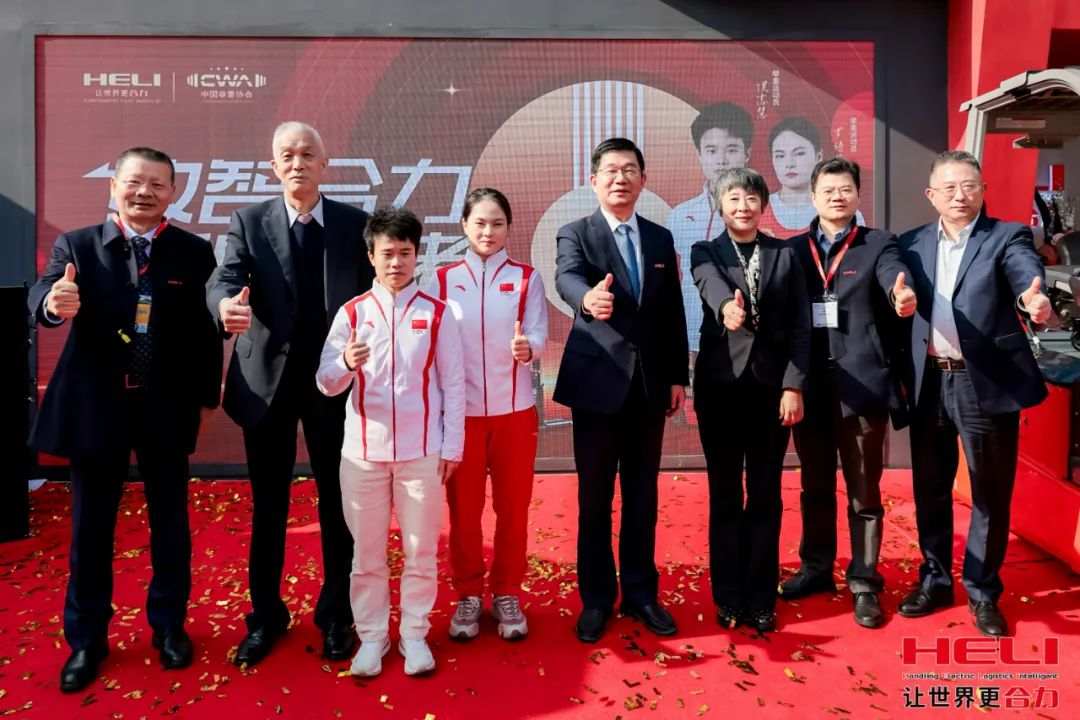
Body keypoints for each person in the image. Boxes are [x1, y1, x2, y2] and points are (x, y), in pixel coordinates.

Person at [29, 147, 222, 692]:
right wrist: (54, 303)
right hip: (97, 408)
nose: (145, 193)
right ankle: (87, 640)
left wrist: (206, 402)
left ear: (173, 193)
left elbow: (206, 335)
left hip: (166, 406)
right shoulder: (78, 245)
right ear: (113, 185)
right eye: (135, 182)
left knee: (171, 525)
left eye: (158, 185)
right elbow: (45, 293)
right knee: (91, 530)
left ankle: (169, 627)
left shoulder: (193, 251)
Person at [206, 121, 374, 666]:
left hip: (334, 383)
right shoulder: (249, 221)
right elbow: (225, 279)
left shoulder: (354, 224)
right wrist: (224, 306)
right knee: (269, 505)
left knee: (338, 504)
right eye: (287, 155)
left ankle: (337, 615)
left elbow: (377, 294)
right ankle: (265, 617)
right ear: (273, 166)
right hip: (268, 386)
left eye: (307, 154)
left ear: (325, 163)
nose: (297, 163)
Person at [897, 150, 1050, 638]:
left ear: (983, 189)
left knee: (989, 489)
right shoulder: (910, 244)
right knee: (930, 486)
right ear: (931, 195)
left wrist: (1032, 296)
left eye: (969, 185)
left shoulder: (1006, 236)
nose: (960, 195)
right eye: (949, 187)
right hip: (929, 380)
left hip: (982, 379)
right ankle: (935, 581)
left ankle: (983, 591)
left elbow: (1023, 270)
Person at [316, 207, 465, 677]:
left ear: (417, 255)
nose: (396, 262)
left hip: (422, 453)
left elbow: (453, 385)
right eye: (387, 253)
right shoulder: (353, 312)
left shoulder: (437, 313)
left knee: (421, 550)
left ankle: (414, 634)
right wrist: (345, 361)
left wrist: (452, 447)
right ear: (371, 257)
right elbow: (325, 382)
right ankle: (373, 637)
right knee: (366, 555)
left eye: (405, 252)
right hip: (363, 455)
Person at [554, 137, 689, 643]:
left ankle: (640, 593)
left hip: (649, 388)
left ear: (643, 180)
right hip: (597, 386)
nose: (620, 178)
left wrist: (677, 376)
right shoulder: (577, 233)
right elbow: (567, 277)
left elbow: (671, 311)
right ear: (594, 181)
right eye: (610, 170)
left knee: (642, 497)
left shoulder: (659, 237)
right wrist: (586, 299)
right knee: (595, 499)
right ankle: (595, 599)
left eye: (630, 170)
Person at [779, 157, 916, 628]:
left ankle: (864, 581)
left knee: (864, 492)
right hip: (809, 388)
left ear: (858, 195)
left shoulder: (879, 244)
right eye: (828, 190)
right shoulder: (792, 251)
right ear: (812, 197)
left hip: (862, 388)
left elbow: (893, 274)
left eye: (846, 189)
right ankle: (816, 568)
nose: (837, 197)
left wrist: (900, 295)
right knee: (814, 486)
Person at [690, 167, 810, 633]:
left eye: (751, 198)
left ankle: (761, 597)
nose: (743, 206)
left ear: (764, 204)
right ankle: (728, 596)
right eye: (734, 198)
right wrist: (727, 307)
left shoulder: (786, 254)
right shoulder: (705, 250)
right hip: (720, 392)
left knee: (765, 495)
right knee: (724, 495)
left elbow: (800, 325)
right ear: (720, 206)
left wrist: (793, 385)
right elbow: (709, 283)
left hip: (771, 393)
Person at [427, 188, 549, 642]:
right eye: (479, 222)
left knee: (512, 509)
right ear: (464, 225)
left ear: (508, 228)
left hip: (514, 413)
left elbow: (538, 331)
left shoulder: (525, 278)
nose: (488, 232)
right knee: (464, 512)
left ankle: (507, 591)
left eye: (497, 223)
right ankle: (467, 594)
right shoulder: (442, 280)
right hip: (461, 417)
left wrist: (528, 347)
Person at [668, 102, 754, 354]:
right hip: (694, 336)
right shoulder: (680, 215)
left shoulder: (761, 211)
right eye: (711, 150)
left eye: (731, 149)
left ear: (747, 153)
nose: (722, 160)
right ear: (699, 155)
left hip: (749, 335)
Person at [761, 117, 865, 237]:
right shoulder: (757, 210)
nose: (789, 163)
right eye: (780, 156)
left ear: (818, 156)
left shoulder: (844, 212)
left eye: (799, 153)